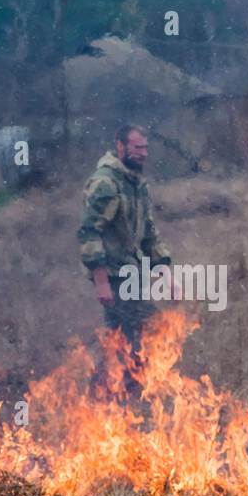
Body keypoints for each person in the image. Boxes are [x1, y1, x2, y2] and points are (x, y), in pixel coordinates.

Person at [77, 124, 173, 389]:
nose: (143, 153)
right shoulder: (106, 183)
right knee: (152, 324)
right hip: (113, 274)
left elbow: (148, 232)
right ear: (120, 146)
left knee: (120, 336)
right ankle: (129, 387)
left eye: (145, 148)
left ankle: (109, 392)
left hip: (130, 271)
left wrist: (165, 271)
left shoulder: (135, 183)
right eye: (137, 147)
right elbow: (88, 232)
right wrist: (101, 281)